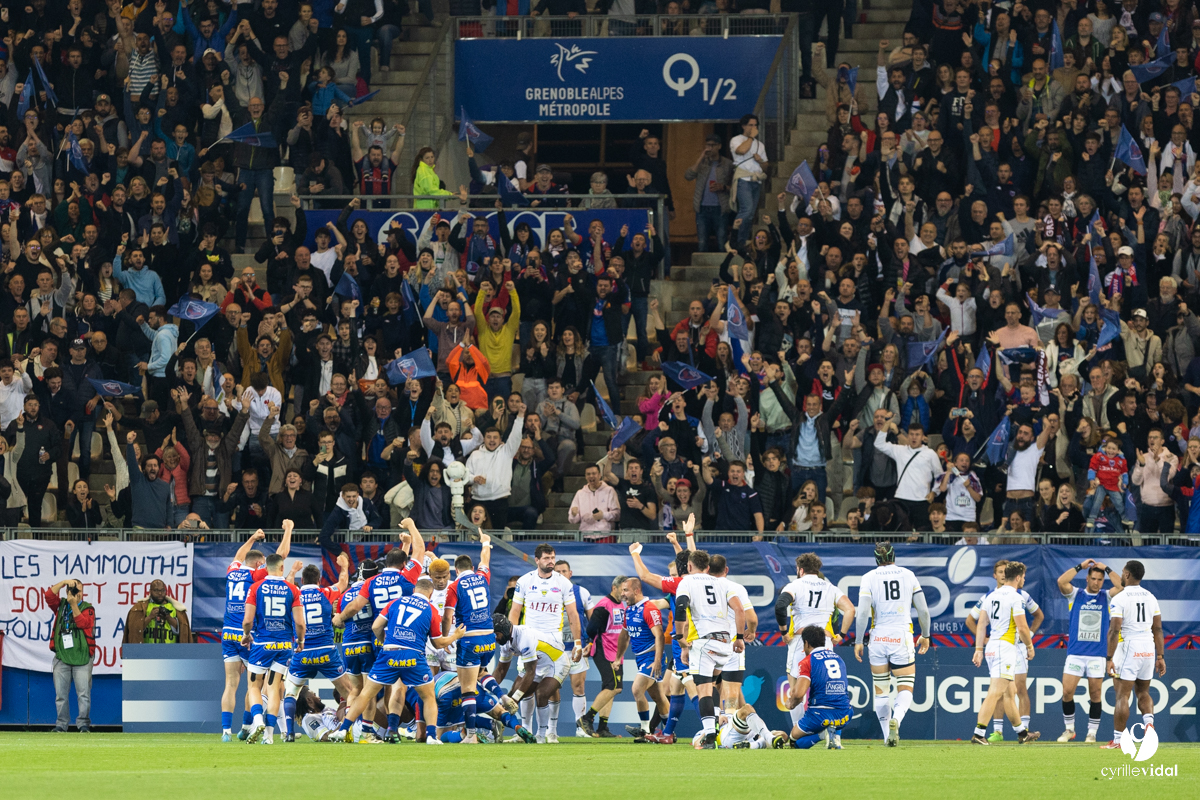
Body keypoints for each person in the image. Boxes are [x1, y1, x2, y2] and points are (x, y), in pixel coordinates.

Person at [335, 577, 467, 745]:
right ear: (431, 594)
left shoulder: (394, 603)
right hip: (413, 657)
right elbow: (438, 643)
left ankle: (343, 730)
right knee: (428, 697)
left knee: (366, 694)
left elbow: (376, 626)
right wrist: (455, 636)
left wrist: (384, 641)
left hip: (389, 654)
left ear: (414, 590)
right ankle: (432, 737)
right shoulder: (431, 609)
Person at [854, 542, 931, 747]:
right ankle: (897, 718)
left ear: (876, 559)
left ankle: (887, 732)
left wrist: (859, 640)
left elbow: (862, 613)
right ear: (893, 556)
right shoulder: (908, 575)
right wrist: (926, 635)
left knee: (881, 690)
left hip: (878, 637)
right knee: (905, 687)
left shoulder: (868, 577)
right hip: (901, 636)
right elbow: (923, 610)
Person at [507, 543, 584, 743]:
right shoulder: (525, 581)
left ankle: (551, 731)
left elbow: (573, 614)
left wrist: (577, 642)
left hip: (553, 642)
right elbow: (515, 611)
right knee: (526, 686)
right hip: (529, 641)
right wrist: (511, 638)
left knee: (549, 689)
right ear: (537, 560)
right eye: (547, 558)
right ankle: (524, 731)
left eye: (553, 558)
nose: (551, 562)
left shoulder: (564, 583)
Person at [671, 548, 746, 750]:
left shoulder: (686, 581)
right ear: (708, 567)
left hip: (704, 642)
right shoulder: (722, 583)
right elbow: (739, 609)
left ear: (689, 566)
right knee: (712, 684)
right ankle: (715, 727)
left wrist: (679, 637)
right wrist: (739, 638)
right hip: (725, 643)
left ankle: (710, 734)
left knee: (703, 689)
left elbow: (680, 607)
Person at [776, 553, 856, 734]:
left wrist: (783, 632)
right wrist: (841, 635)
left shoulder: (794, 585)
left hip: (801, 642)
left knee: (796, 687)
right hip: (825, 641)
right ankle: (831, 733)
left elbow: (780, 606)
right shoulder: (830, 587)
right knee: (824, 688)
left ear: (800, 570)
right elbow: (850, 609)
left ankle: (798, 732)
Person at [966, 559, 1044, 741]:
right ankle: (979, 733)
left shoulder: (990, 596)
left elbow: (981, 624)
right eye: (1023, 577)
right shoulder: (1016, 597)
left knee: (1010, 693)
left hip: (992, 646)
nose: (1024, 580)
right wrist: (1030, 646)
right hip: (1005, 648)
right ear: (1018, 578)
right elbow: (1023, 627)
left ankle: (1022, 734)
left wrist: (979, 649)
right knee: (995, 692)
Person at [282, 555, 355, 743]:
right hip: (326, 651)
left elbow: (286, 587)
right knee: (349, 692)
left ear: (302, 581)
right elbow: (343, 582)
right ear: (319, 580)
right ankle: (352, 730)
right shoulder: (325, 593)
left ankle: (289, 732)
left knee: (290, 692)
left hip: (302, 651)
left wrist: (292, 572)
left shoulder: (294, 593)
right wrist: (344, 566)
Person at [1055, 559, 1124, 743]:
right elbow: (1061, 581)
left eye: (1100, 579)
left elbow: (1122, 586)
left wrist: (1107, 568)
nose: (1096, 582)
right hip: (1076, 653)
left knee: (1095, 694)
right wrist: (1080, 566)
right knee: (1067, 692)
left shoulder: (1106, 596)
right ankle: (1069, 730)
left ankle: (1092, 732)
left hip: (1097, 654)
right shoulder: (1075, 594)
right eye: (1093, 578)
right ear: (1087, 578)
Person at [242, 552, 305, 745]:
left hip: (262, 644)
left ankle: (258, 720)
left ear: (265, 568)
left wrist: (246, 634)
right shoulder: (292, 589)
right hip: (284, 645)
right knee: (274, 688)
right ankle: (269, 736)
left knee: (254, 686)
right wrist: (300, 640)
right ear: (281, 568)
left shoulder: (256, 587)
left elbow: (247, 620)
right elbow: (300, 623)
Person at [1103, 560, 1166, 750]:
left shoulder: (1119, 599)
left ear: (1128, 575)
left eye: (1123, 572)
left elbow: (1114, 631)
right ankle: (1149, 726)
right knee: (1143, 692)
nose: (1122, 575)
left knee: (1123, 695)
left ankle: (1118, 740)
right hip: (1148, 647)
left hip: (1129, 646)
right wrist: (1160, 656)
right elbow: (1158, 629)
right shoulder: (1151, 597)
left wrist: (1109, 658)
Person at [442, 533, 495, 745]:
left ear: (456, 570)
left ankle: (471, 735)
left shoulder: (454, 586)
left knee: (467, 690)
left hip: (470, 639)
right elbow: (485, 558)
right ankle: (502, 699)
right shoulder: (482, 577)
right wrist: (485, 541)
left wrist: (446, 638)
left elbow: (447, 616)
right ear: (472, 568)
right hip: (489, 638)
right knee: (482, 675)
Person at [784, 625, 853, 750]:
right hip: (845, 715)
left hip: (820, 716)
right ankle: (835, 737)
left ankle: (823, 735)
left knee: (794, 740)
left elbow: (799, 695)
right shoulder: (839, 659)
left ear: (806, 643)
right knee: (836, 709)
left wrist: (791, 704)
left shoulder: (807, 661)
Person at [44, 578, 95, 733]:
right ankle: (61, 724)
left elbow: (82, 623)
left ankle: (83, 724)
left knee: (83, 694)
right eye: (73, 590)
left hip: (82, 657)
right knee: (61, 695)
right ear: (66, 592)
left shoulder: (88, 608)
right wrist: (64, 582)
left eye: (78, 590)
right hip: (62, 657)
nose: (76, 594)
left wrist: (73, 604)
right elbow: (48, 596)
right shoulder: (61, 606)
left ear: (83, 592)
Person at [872, 417, 942, 529]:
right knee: (901, 534)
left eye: (917, 434)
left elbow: (940, 476)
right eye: (911, 434)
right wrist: (887, 424)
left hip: (922, 500)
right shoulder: (899, 450)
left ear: (923, 437)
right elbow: (878, 444)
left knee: (922, 534)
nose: (914, 437)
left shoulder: (930, 454)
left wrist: (934, 492)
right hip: (901, 499)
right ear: (907, 435)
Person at [123, 579, 192, 644]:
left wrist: (168, 617)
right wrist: (150, 617)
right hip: (146, 651)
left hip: (171, 651)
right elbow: (135, 630)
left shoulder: (176, 607)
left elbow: (183, 630)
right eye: (156, 590)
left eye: (162, 590)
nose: (160, 593)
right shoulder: (140, 607)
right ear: (150, 591)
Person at [568, 463, 620, 534]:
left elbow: (617, 515)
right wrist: (574, 515)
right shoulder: (580, 493)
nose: (591, 476)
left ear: (599, 475)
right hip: (585, 536)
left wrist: (603, 515)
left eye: (594, 473)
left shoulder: (609, 491)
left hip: (605, 536)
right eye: (588, 474)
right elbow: (573, 520)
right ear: (585, 476)